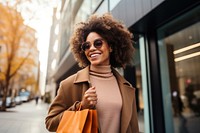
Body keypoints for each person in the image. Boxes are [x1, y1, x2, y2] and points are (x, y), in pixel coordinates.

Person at [45, 13, 139, 133]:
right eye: (86, 46)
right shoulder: (69, 84)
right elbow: (50, 123)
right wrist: (81, 107)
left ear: (110, 47)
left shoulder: (126, 87)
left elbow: (133, 128)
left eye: (98, 43)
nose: (92, 48)